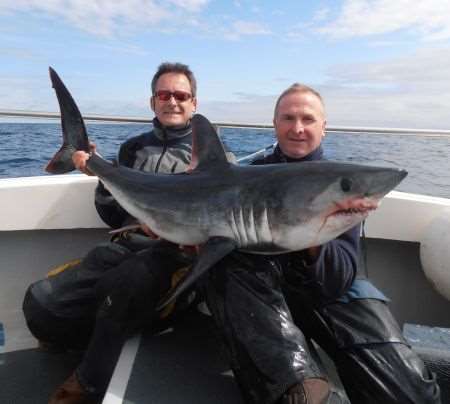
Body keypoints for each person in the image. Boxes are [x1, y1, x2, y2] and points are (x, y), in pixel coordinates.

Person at [204, 83, 441, 404]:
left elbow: (338, 278)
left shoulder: (346, 184)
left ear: (324, 127)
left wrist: (319, 230)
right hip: (259, 290)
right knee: (228, 264)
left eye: (308, 119)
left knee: (410, 396)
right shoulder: (245, 177)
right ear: (274, 124)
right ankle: (298, 388)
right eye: (288, 118)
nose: (297, 128)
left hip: (329, 286)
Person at [23, 62, 220, 404]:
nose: (172, 101)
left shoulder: (214, 158)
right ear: (152, 102)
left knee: (129, 280)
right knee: (41, 306)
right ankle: (117, 324)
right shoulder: (132, 149)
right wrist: (100, 174)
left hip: (174, 261)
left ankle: (89, 380)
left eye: (181, 95)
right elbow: (111, 214)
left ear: (194, 103)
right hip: (124, 246)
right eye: (164, 94)